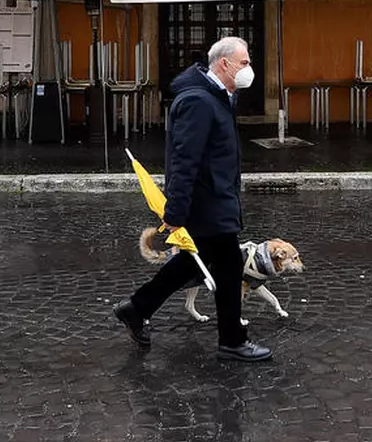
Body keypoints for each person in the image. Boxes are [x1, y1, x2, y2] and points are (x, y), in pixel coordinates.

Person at [113, 37, 272, 362]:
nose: (249, 69)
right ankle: (232, 341)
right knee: (228, 268)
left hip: (216, 199)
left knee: (191, 262)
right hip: (206, 204)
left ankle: (136, 308)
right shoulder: (199, 101)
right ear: (224, 64)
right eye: (244, 63)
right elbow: (185, 160)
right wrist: (176, 211)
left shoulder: (218, 97)